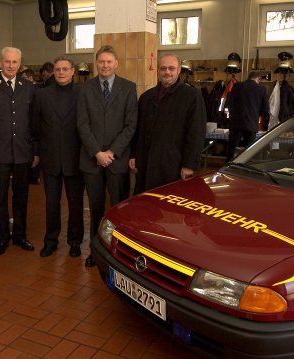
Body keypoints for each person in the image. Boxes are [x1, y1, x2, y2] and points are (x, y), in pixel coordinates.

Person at [77, 45, 137, 267]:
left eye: (109, 62)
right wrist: (97, 153)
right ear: (96, 63)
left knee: (118, 210)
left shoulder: (129, 88)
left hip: (117, 160)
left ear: (116, 63)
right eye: (101, 62)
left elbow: (131, 125)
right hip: (92, 160)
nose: (105, 65)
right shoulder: (85, 89)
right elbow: (82, 125)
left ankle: (117, 254)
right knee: (96, 209)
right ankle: (96, 250)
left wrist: (111, 152)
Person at [0, 46, 38, 256]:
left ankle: (20, 236)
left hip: (23, 150)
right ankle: (2, 237)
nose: (11, 65)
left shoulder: (29, 87)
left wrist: (36, 151)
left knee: (21, 196)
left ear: (19, 64)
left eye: (14, 62)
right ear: (0, 62)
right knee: (1, 197)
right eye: (7, 61)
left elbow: (34, 122)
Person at [129, 53, 207, 195]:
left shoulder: (192, 96)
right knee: (145, 204)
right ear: (158, 70)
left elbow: (196, 133)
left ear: (179, 71)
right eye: (163, 68)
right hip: (146, 163)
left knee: (168, 208)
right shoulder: (146, 97)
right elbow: (137, 130)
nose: (167, 72)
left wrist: (189, 165)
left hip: (173, 165)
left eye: (171, 68)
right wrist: (133, 154)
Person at [34, 55, 84, 258]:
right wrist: (38, 153)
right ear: (53, 72)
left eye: (65, 69)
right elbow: (36, 127)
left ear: (73, 71)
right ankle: (51, 240)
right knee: (51, 203)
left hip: (75, 158)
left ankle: (75, 241)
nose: (61, 72)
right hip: (51, 158)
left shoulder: (83, 93)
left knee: (75, 203)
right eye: (58, 69)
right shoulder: (42, 95)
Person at [225, 71, 269, 162]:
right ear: (258, 78)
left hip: (235, 123)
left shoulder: (237, 86)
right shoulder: (262, 89)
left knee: (231, 151)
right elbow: (265, 110)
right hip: (251, 124)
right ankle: (243, 170)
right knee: (247, 152)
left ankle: (227, 169)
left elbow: (229, 103)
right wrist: (255, 114)